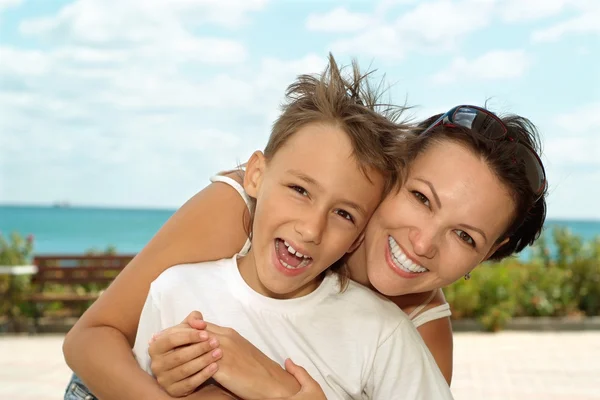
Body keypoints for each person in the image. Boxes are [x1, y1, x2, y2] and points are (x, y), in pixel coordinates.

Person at [63, 61, 547, 399]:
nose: (423, 242)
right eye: (421, 198)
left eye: (465, 237)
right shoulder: (249, 209)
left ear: (487, 256)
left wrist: (278, 389)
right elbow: (90, 338)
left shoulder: (414, 332)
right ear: (390, 177)